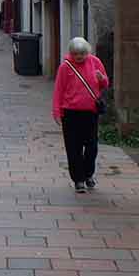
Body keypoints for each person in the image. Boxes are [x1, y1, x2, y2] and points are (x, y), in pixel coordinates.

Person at [51, 37, 110, 193]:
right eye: (76, 54)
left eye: (82, 53)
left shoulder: (95, 62)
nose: (79, 57)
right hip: (70, 113)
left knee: (92, 146)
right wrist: (57, 111)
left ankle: (88, 173)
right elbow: (59, 90)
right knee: (73, 147)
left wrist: (102, 79)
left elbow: (105, 83)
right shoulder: (65, 67)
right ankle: (78, 179)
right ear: (71, 53)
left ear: (87, 52)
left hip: (90, 112)